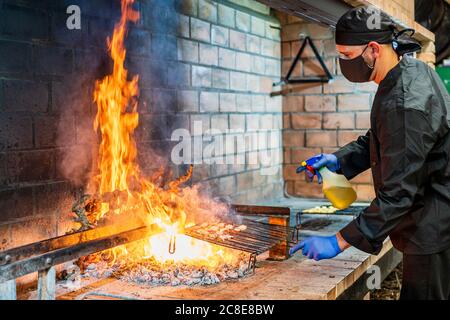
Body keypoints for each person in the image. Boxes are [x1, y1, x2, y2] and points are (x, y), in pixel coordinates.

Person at [291, 6, 450, 300]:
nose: (344, 64)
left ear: (374, 49)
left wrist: (338, 241)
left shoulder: (405, 102)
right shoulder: (408, 72)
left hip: (432, 225)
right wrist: (338, 160)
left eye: (348, 56)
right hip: (430, 215)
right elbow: (381, 140)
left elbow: (398, 194)